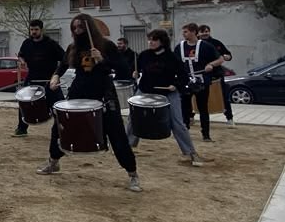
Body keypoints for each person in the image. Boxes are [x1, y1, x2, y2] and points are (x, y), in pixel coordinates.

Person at [37, 13, 142, 192]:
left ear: (89, 28)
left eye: (80, 27)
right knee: (60, 128)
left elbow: (124, 68)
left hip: (103, 91)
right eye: (74, 28)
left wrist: (102, 59)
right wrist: (55, 77)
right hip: (79, 90)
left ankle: (132, 174)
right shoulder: (73, 47)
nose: (77, 31)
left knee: (117, 133)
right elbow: (62, 66)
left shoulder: (106, 45)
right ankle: (53, 162)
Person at [128, 29, 205, 166]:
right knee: (133, 117)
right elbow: (136, 69)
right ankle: (128, 146)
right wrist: (134, 72)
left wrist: (175, 86)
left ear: (162, 41)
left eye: (154, 40)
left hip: (168, 93)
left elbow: (183, 77)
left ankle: (191, 152)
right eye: (149, 39)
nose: (150, 42)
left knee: (177, 123)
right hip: (146, 90)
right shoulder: (144, 55)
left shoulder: (172, 57)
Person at [13, 19, 66, 137]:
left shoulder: (51, 44)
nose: (33, 32)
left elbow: (64, 58)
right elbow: (21, 56)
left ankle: (63, 129)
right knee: (24, 102)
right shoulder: (27, 43)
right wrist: (22, 62)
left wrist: (57, 75)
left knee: (58, 104)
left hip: (49, 79)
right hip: (32, 78)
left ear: (41, 30)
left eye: (36, 29)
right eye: (31, 30)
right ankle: (22, 129)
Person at [175, 23, 224, 142]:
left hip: (201, 82)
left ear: (193, 32)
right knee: (184, 108)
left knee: (203, 108)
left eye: (186, 31)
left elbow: (220, 59)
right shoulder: (179, 47)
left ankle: (206, 134)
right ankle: (184, 132)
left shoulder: (205, 46)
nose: (183, 34)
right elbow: (174, 63)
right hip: (185, 81)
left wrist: (210, 65)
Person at [198, 24, 235, 127]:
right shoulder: (195, 44)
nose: (204, 33)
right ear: (198, 33)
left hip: (216, 73)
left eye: (206, 31)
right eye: (202, 31)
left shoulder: (216, 43)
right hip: (200, 74)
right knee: (194, 95)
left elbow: (227, 55)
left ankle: (229, 118)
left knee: (223, 95)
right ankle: (190, 116)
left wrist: (227, 57)